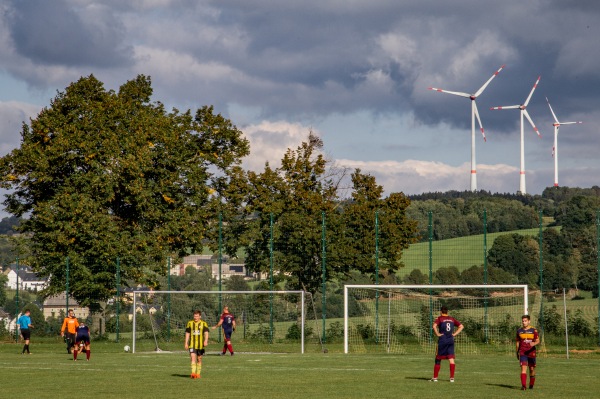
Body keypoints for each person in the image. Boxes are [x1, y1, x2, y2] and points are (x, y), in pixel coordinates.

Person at [430, 306, 464, 382]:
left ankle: (435, 378)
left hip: (442, 340)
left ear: (441, 311)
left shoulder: (439, 319)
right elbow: (461, 326)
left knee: (438, 358)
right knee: (451, 358)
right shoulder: (452, 319)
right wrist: (454, 334)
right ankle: (452, 378)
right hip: (450, 340)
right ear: (447, 312)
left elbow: (434, 326)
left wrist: (437, 334)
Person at [516, 314, 540, 390]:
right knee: (523, 368)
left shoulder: (533, 330)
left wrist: (534, 343)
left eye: (525, 321)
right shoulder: (519, 331)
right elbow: (517, 342)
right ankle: (523, 386)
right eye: (523, 321)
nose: (524, 322)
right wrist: (517, 352)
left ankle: (531, 384)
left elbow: (537, 340)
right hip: (523, 352)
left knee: (532, 369)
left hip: (531, 352)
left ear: (529, 321)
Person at [185, 310, 209, 379]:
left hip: (200, 345)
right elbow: (187, 333)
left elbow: (206, 333)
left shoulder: (204, 323)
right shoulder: (190, 323)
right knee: (192, 357)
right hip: (192, 344)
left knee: (199, 359)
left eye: (197, 316)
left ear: (200, 316)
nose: (195, 317)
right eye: (194, 316)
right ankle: (193, 373)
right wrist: (186, 343)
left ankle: (198, 374)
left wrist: (206, 340)